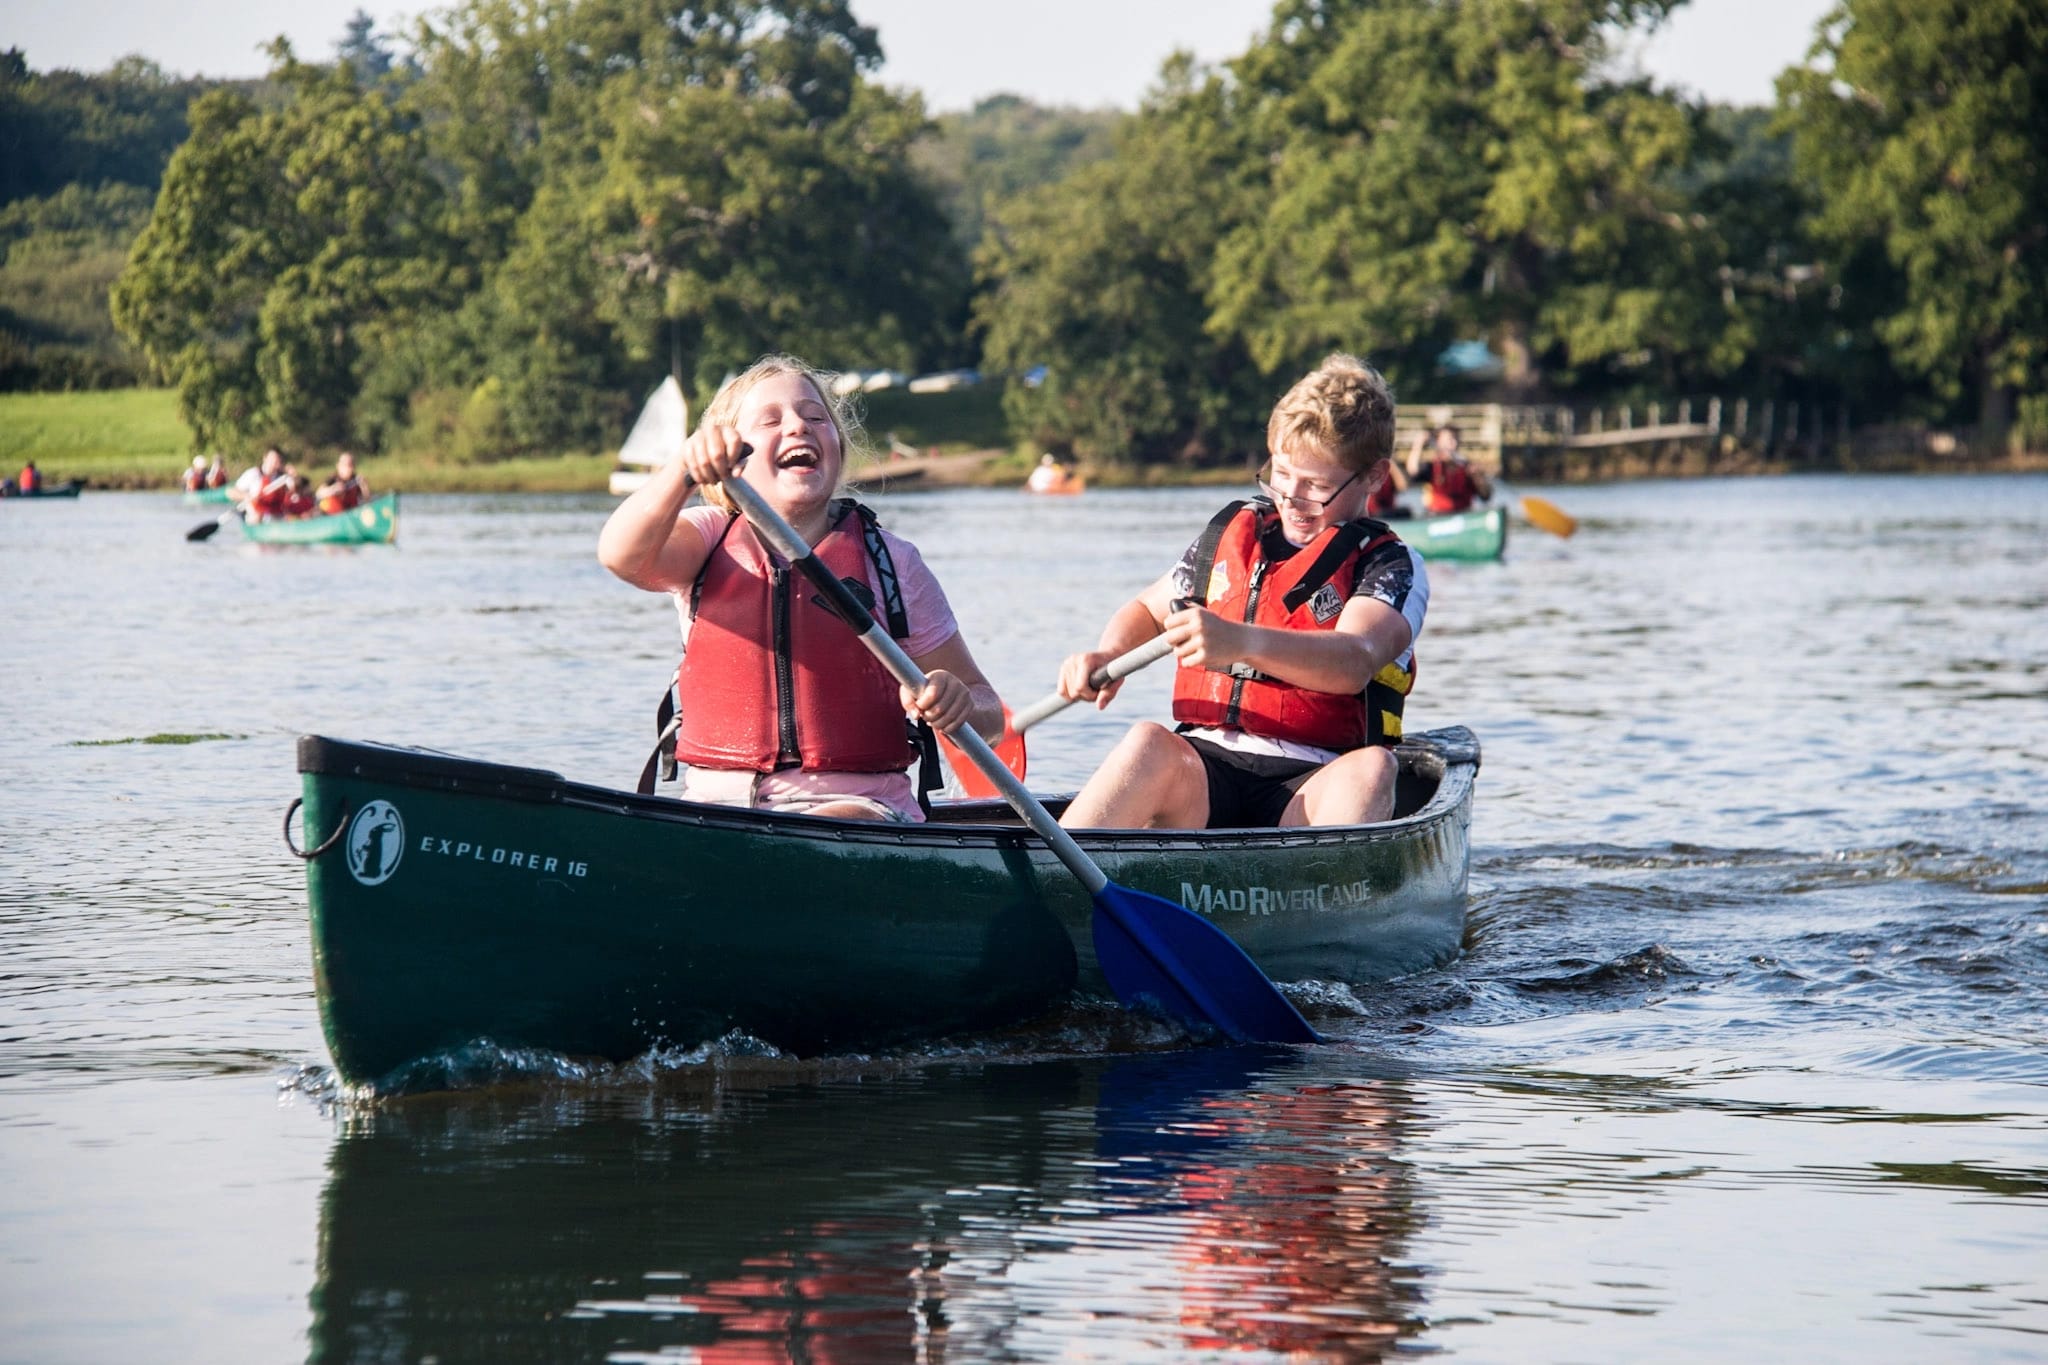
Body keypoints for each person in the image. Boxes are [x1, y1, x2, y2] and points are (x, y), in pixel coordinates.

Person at [597, 354, 1006, 823]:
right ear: (731, 456)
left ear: (837, 446)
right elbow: (620, 555)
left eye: (816, 417)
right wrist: (682, 471)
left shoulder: (893, 563)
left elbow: (989, 716)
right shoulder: (705, 539)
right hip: (717, 812)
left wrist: (957, 701)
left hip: (862, 809)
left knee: (835, 823)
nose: (798, 427)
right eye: (771, 420)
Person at [1054, 353, 1429, 830]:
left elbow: (1354, 661)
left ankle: (1312, 896)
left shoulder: (1390, 564)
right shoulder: (1232, 535)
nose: (1292, 497)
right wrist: (1107, 654)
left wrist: (1241, 641)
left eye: (1316, 486)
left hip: (1316, 778)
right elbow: (1146, 610)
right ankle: (1056, 883)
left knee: (1374, 768)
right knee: (1147, 741)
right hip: (1207, 770)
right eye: (1281, 474)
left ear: (1375, 476)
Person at [1405, 424, 1493, 515]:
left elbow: (1486, 497)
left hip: (1464, 515)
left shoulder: (1467, 468)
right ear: (1438, 442)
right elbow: (1413, 471)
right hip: (1437, 516)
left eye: (1456, 439)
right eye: (1449, 440)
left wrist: (1479, 479)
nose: (1454, 444)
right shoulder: (1432, 468)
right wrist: (1418, 444)